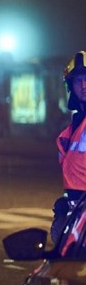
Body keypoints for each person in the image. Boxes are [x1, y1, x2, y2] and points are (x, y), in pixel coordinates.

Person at [52, 51, 86, 243]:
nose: (84, 85)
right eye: (78, 80)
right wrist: (68, 203)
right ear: (70, 86)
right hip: (77, 213)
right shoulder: (69, 132)